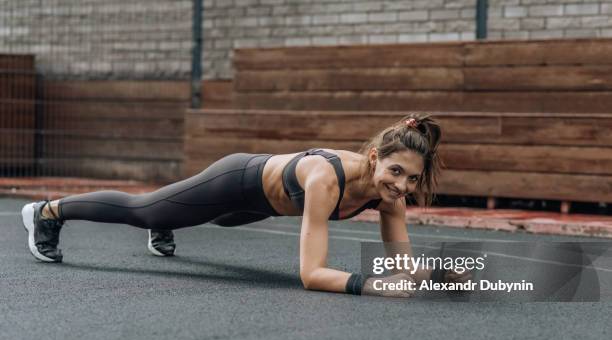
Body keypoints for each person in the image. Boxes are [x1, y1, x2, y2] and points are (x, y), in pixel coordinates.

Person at [21, 113, 469, 297]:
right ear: (375, 158)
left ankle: (172, 216)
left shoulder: (391, 196)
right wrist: (370, 285)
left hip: (263, 205)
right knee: (146, 211)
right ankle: (47, 212)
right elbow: (311, 275)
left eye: (412, 179)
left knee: (220, 221)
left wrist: (437, 277)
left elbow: (403, 268)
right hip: (238, 179)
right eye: (395, 172)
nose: (402, 186)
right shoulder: (325, 179)